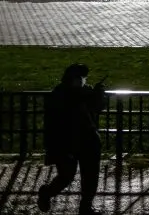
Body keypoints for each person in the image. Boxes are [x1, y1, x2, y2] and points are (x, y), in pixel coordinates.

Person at [38, 63, 106, 215]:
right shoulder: (61, 95)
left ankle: (85, 207)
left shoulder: (82, 93)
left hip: (86, 140)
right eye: (80, 78)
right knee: (67, 176)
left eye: (83, 78)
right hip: (66, 142)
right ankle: (47, 193)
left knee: (89, 176)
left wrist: (98, 95)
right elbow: (54, 123)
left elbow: (98, 107)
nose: (83, 81)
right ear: (71, 79)